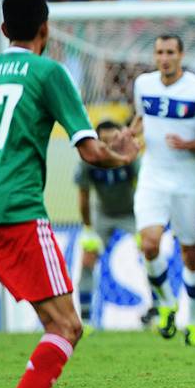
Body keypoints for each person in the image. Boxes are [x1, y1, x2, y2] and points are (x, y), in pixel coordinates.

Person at [0, 0, 138, 388]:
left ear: (3, 29)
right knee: (67, 325)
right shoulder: (48, 72)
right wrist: (121, 156)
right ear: (45, 30)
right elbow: (89, 151)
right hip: (16, 213)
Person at [132, 35, 195, 347]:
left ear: (181, 55)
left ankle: (193, 320)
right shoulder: (143, 85)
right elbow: (141, 118)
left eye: (170, 52)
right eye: (159, 52)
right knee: (149, 244)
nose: (164, 58)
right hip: (153, 176)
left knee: (191, 256)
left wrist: (188, 144)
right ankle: (167, 302)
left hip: (189, 182)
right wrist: (131, 132)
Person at [74, 120, 140, 330]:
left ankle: (157, 312)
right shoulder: (88, 161)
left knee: (150, 251)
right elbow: (83, 197)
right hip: (102, 214)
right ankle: (85, 318)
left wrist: (145, 221)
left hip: (131, 212)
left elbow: (144, 187)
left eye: (114, 139)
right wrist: (88, 229)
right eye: (105, 141)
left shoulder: (130, 157)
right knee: (87, 259)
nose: (110, 145)